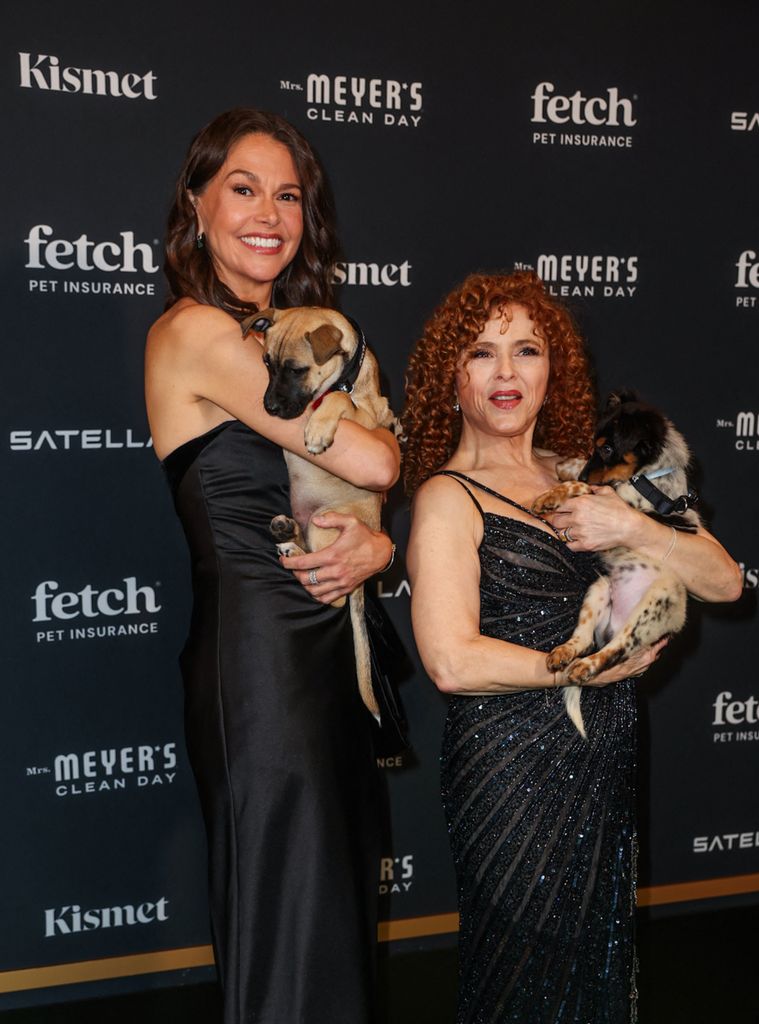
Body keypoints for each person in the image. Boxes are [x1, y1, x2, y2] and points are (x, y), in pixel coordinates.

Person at [401, 271, 741, 1023]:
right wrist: (585, 670)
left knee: (596, 971)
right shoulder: (446, 498)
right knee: (518, 977)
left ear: (555, 369)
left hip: (604, 764)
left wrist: (636, 528)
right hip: (511, 772)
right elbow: (451, 662)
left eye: (526, 350)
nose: (507, 373)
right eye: (481, 353)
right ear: (448, 377)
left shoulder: (588, 478)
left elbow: (723, 580)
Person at [144, 108, 399, 1024]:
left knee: (332, 906)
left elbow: (360, 491)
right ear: (196, 204)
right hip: (258, 664)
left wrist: (378, 547)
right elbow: (373, 460)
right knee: (284, 910)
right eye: (242, 188)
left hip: (328, 649)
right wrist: (374, 469)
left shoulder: (283, 332)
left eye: (288, 194)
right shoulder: (195, 335)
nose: (269, 212)